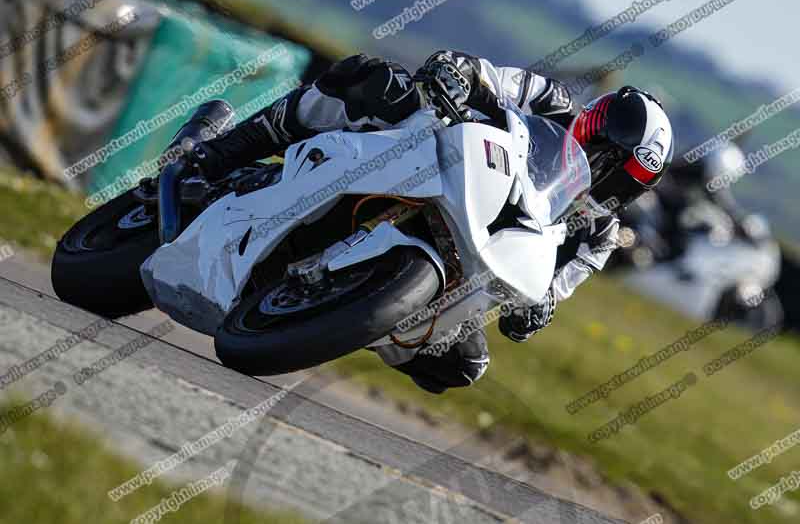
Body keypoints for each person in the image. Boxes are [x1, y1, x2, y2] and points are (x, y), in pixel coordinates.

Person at [186, 51, 674, 393]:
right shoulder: (550, 100)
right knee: (375, 79)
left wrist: (538, 310)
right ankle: (218, 153)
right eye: (603, 149)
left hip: (466, 265)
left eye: (621, 174)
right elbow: (488, 76)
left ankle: (339, 315)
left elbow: (555, 289)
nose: (603, 168)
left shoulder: (600, 235)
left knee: (465, 364)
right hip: (438, 167)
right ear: (592, 121)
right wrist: (456, 72)